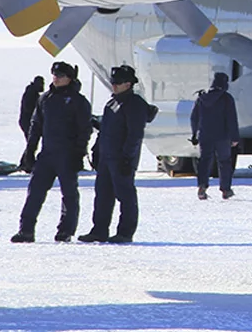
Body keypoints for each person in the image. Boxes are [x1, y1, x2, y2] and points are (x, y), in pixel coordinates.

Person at [11, 61, 92, 243]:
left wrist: (79, 154)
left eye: (60, 76)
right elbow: (36, 125)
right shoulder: (45, 99)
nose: (56, 79)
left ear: (69, 79)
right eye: (54, 75)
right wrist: (30, 151)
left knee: (69, 194)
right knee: (35, 192)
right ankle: (26, 230)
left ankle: (65, 231)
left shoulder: (78, 101)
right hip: (47, 155)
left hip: (67, 155)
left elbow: (84, 129)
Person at [79, 65, 158, 244]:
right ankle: (99, 230)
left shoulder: (134, 104)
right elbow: (106, 129)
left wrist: (127, 158)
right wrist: (97, 150)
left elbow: (135, 134)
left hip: (121, 159)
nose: (114, 86)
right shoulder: (112, 102)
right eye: (113, 82)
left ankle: (125, 232)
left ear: (129, 84)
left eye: (118, 82)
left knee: (125, 195)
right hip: (107, 158)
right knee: (103, 195)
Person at [190, 72, 240, 199]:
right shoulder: (226, 98)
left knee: (204, 161)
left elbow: (194, 117)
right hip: (222, 136)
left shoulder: (201, 97)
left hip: (205, 135)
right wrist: (234, 137)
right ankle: (226, 189)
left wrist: (194, 133)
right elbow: (231, 119)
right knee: (224, 162)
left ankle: (202, 187)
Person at [19, 75, 45, 140]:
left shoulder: (34, 93)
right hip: (27, 122)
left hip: (29, 122)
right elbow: (28, 107)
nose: (43, 86)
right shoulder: (31, 93)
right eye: (41, 84)